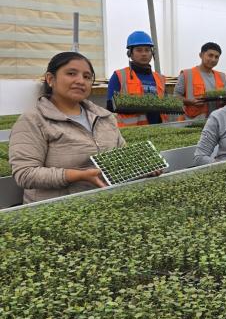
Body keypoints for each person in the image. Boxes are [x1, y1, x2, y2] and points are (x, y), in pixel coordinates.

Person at [9, 52, 125, 203]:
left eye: (87, 76)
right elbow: (25, 174)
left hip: (106, 203)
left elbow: (122, 156)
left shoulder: (105, 117)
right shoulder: (33, 120)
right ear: (51, 79)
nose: (80, 81)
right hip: (55, 210)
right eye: (71, 73)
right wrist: (77, 175)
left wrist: (143, 169)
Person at [107, 30, 170, 126]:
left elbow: (167, 104)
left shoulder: (160, 78)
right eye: (139, 50)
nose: (144, 54)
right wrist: (142, 105)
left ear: (152, 53)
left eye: (147, 50)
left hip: (159, 130)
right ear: (130, 54)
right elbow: (110, 105)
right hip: (131, 133)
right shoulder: (119, 76)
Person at [175, 42, 226, 120]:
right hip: (193, 122)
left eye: (217, 57)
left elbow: (224, 97)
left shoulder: (222, 76)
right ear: (201, 55)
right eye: (210, 55)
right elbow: (175, 97)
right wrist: (189, 102)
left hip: (216, 122)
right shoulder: (187, 74)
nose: (213, 59)